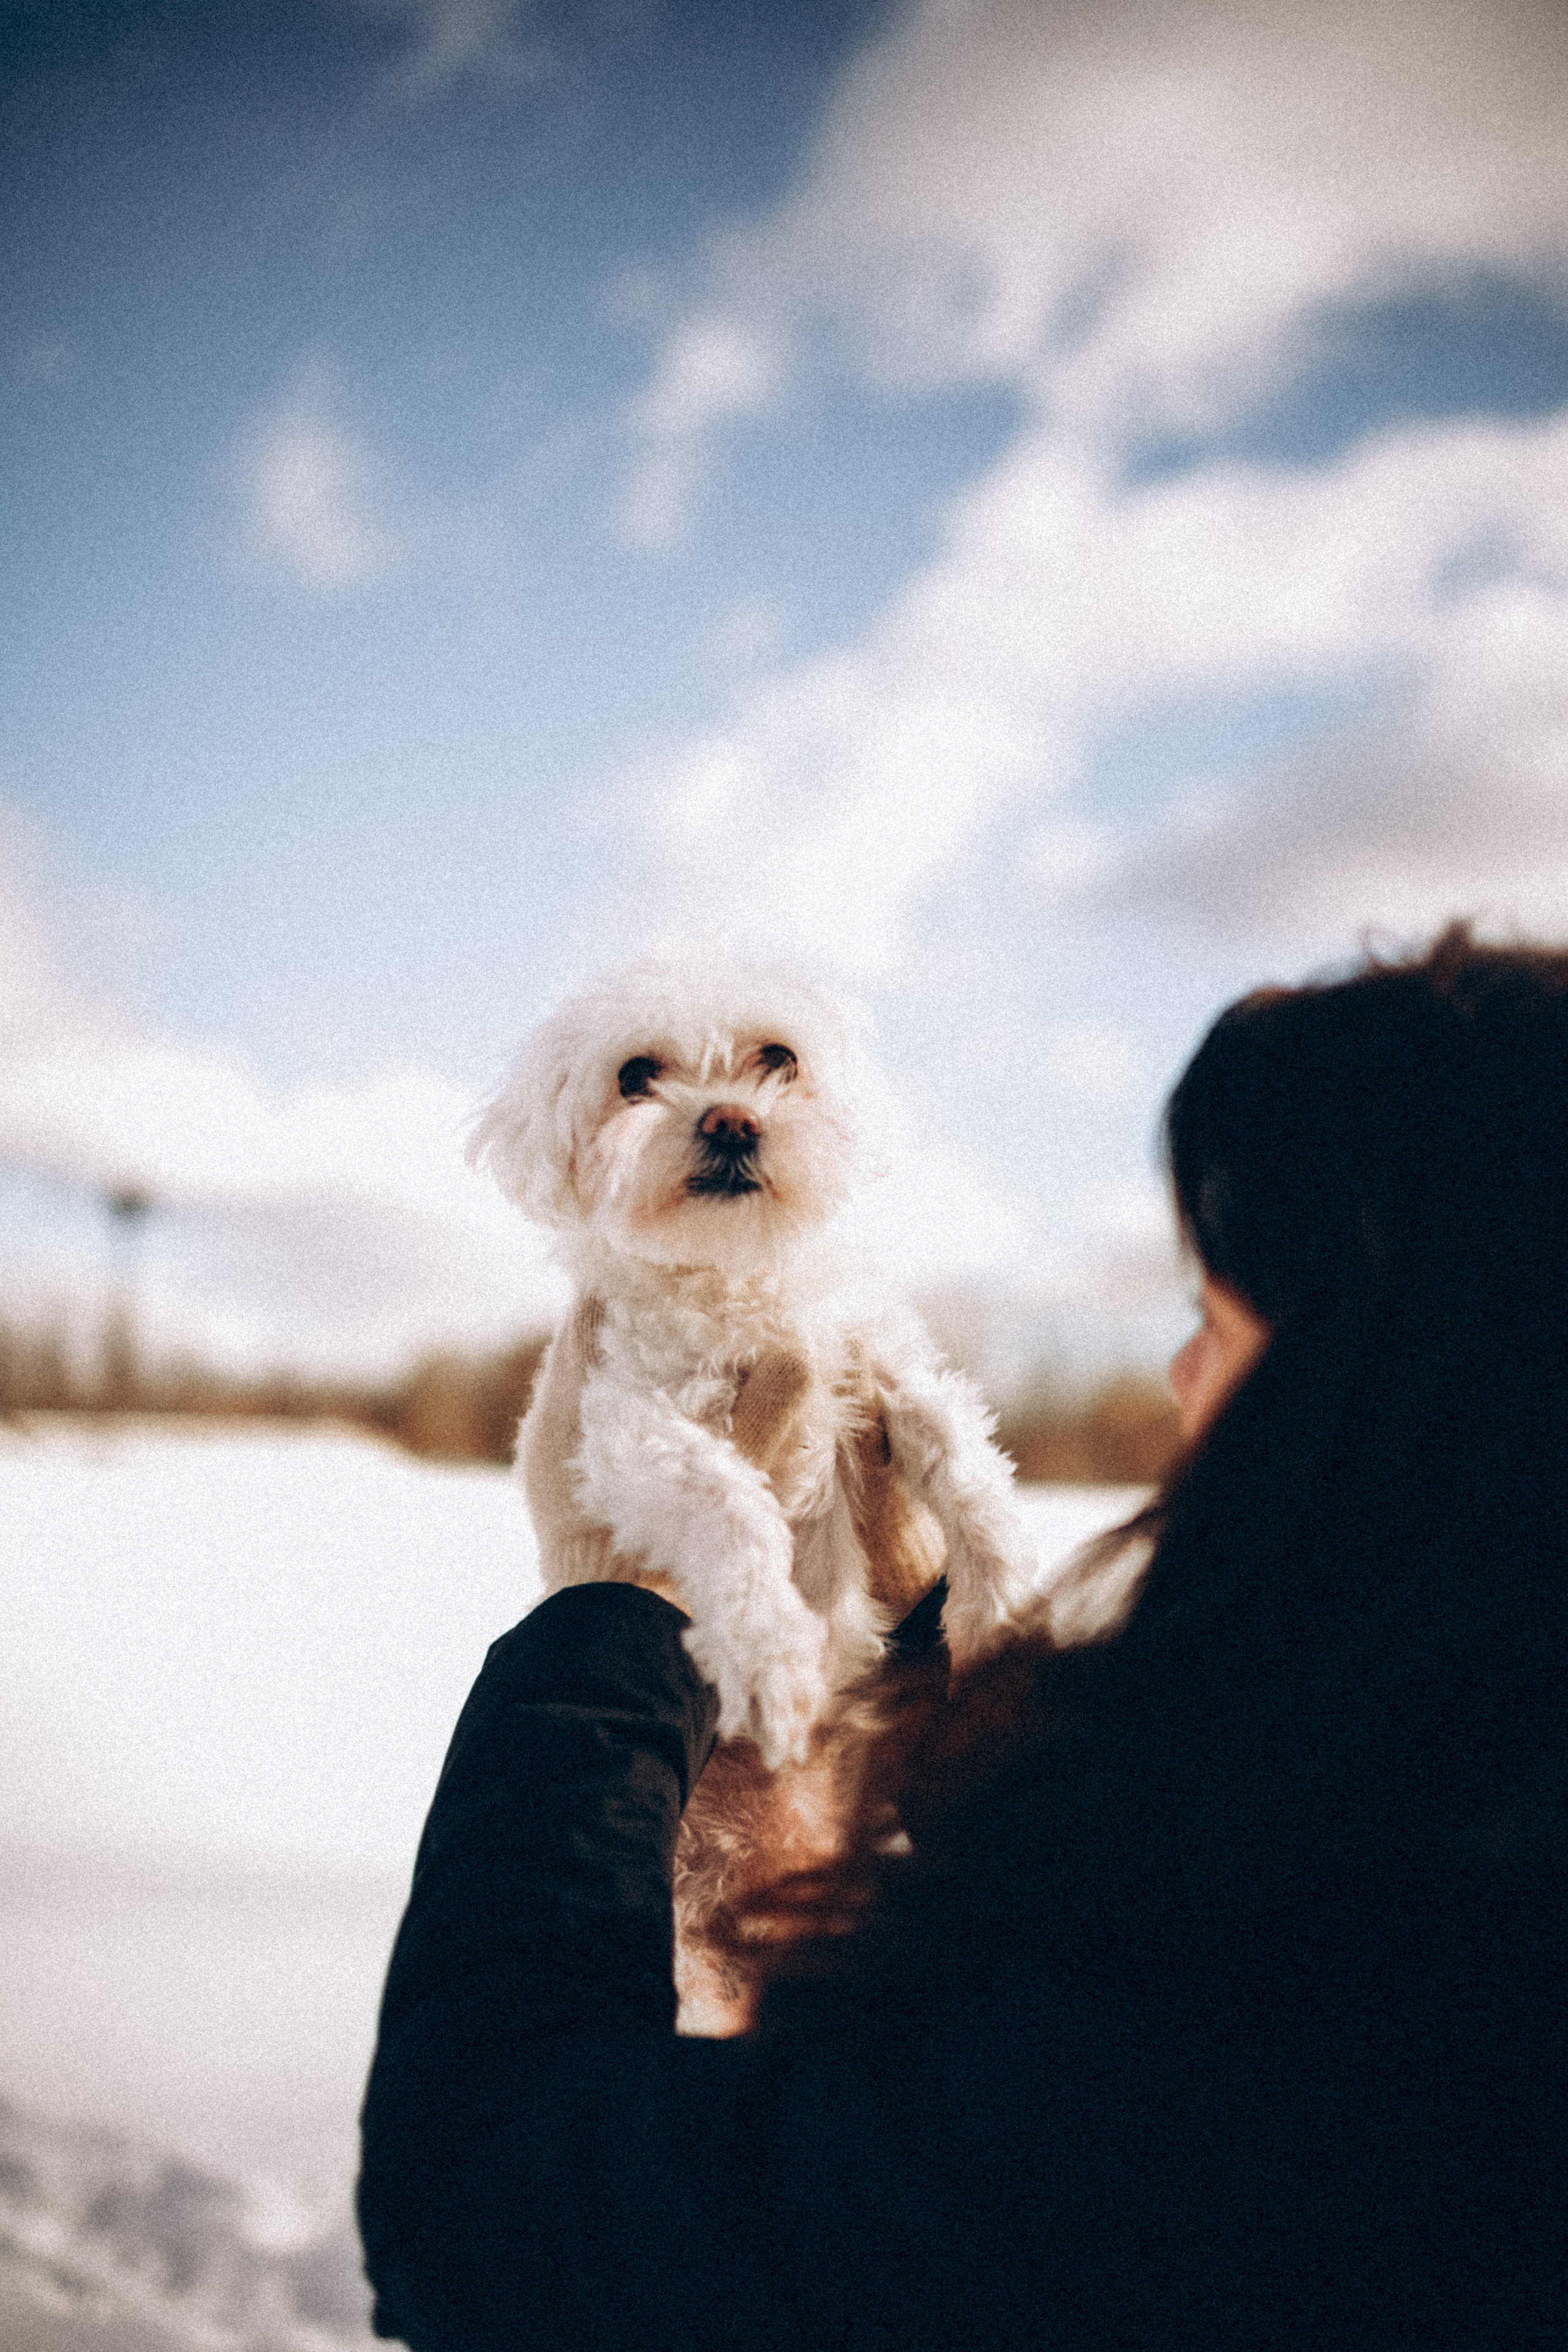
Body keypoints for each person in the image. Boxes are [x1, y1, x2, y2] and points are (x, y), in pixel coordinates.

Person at [358, 926, 1566, 2350]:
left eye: (1214, 1315)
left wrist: (603, 1629)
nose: (1176, 1375)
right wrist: (927, 1667)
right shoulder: (1436, 1797)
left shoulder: (1256, 1951)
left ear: (1402, 1382)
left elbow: (499, 2216)